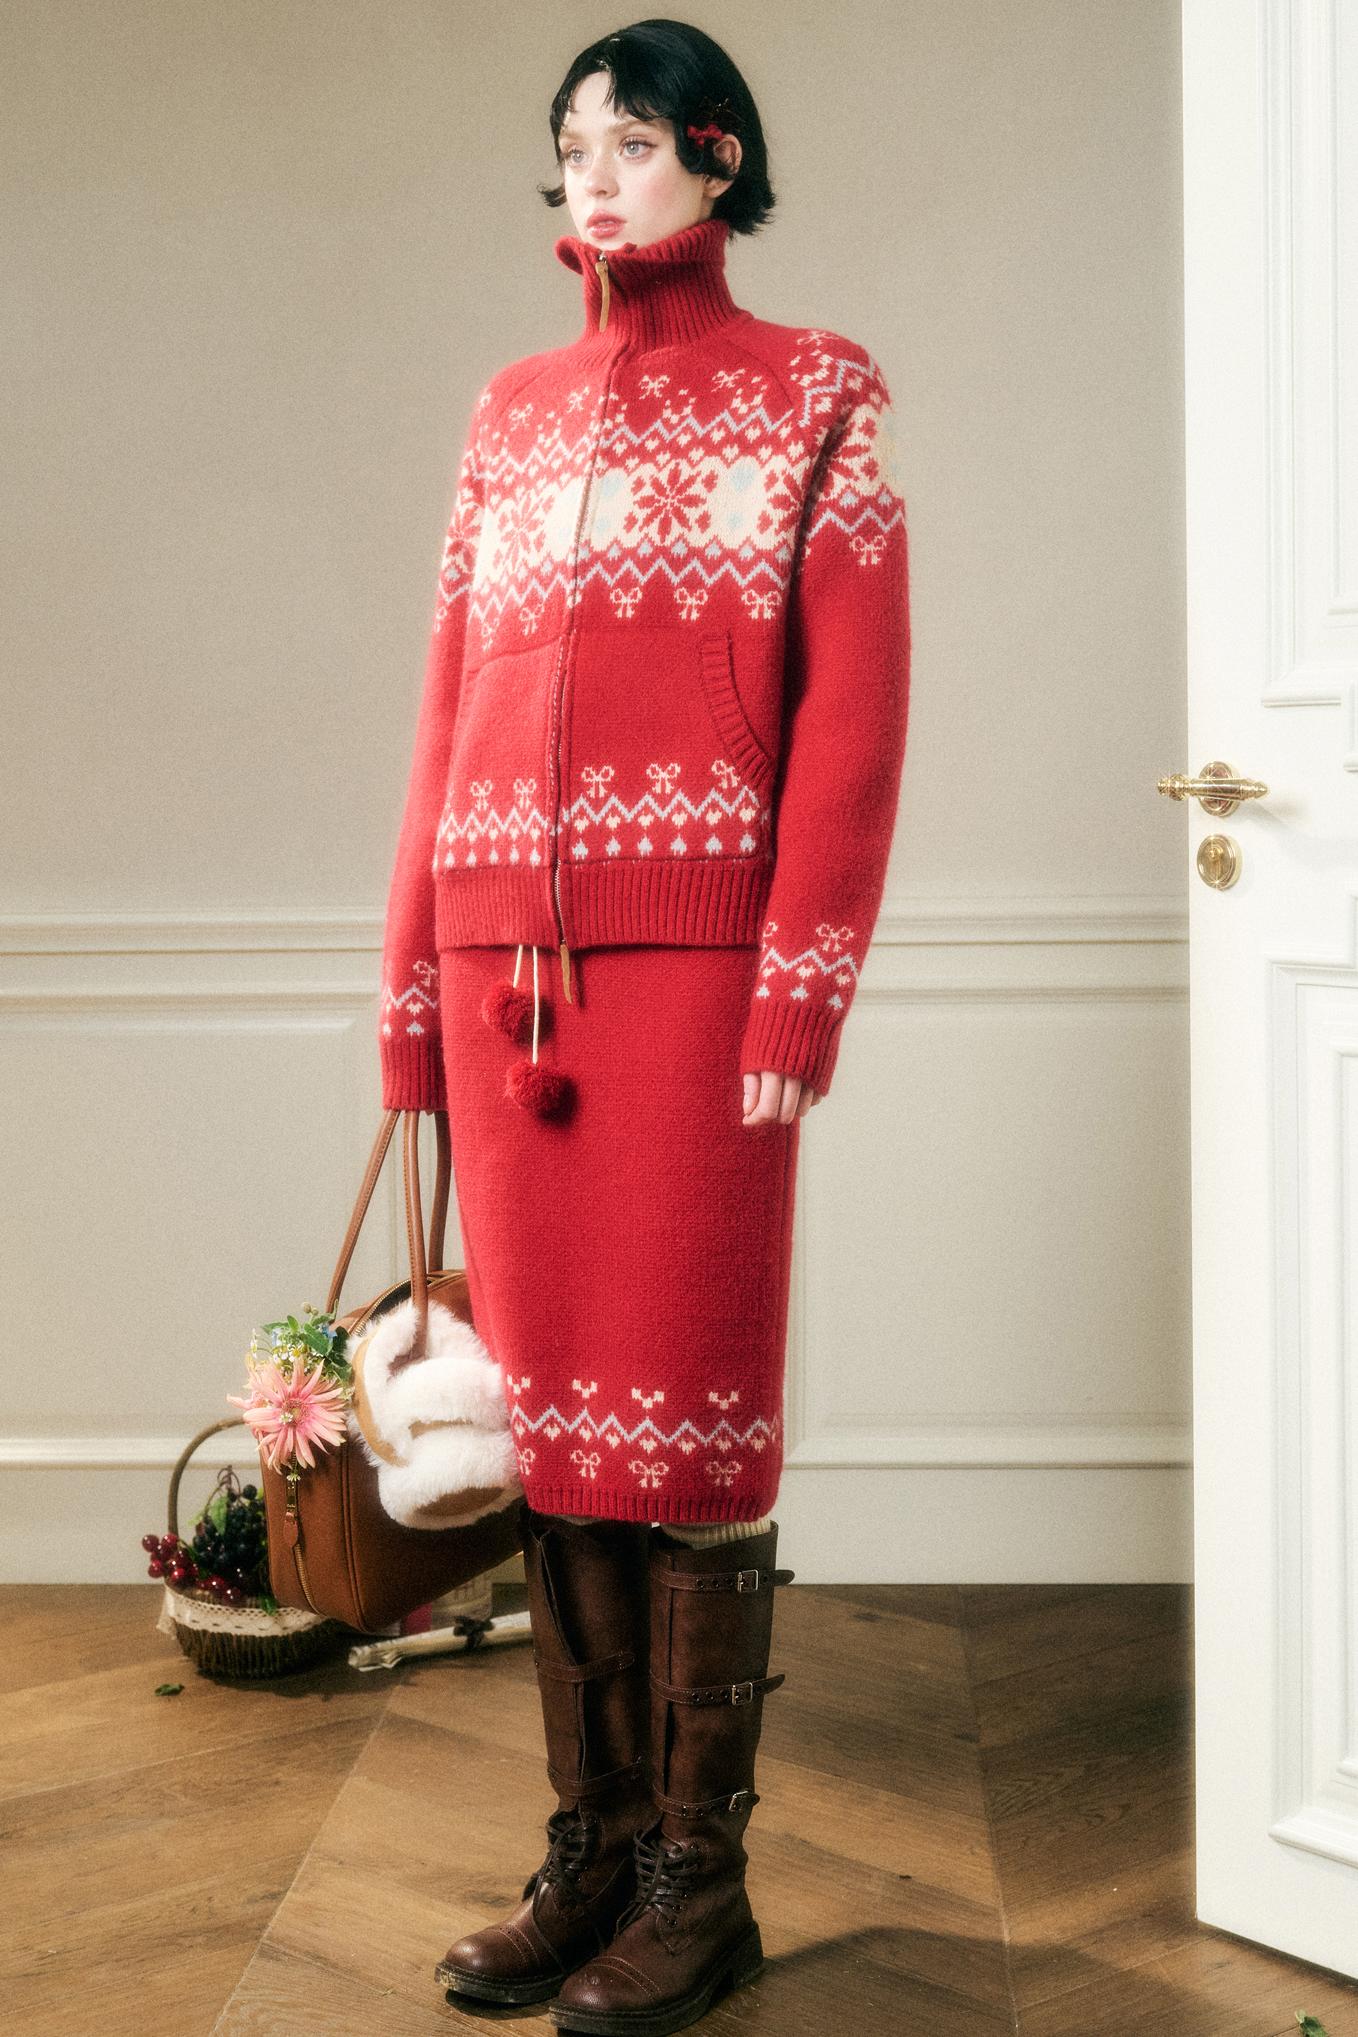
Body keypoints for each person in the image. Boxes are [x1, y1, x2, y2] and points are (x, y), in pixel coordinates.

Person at [377, 19, 911, 2033]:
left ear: (716, 154)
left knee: (689, 1429)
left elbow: (853, 718)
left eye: (625, 141)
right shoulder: (508, 415)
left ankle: (703, 1879)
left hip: (696, 986)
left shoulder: (818, 392)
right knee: (554, 1436)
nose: (590, 178)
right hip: (499, 979)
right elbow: (445, 708)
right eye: (567, 148)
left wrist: (799, 981)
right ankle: (592, 1846)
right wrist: (407, 1001)